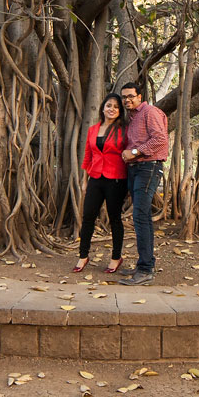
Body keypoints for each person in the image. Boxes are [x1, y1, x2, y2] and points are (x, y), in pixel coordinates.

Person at [118, 80, 169, 286]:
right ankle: (144, 264)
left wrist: (135, 152)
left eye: (131, 96)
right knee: (142, 216)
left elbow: (160, 139)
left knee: (140, 215)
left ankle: (146, 269)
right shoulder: (132, 117)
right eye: (124, 96)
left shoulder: (149, 112)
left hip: (148, 167)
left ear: (140, 96)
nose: (127, 99)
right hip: (135, 169)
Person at [75, 93, 128, 273]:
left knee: (115, 218)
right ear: (103, 108)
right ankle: (83, 256)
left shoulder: (124, 130)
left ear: (120, 111)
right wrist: (84, 181)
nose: (111, 109)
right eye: (108, 105)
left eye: (115, 107)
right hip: (95, 178)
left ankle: (116, 258)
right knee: (88, 216)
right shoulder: (93, 129)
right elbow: (88, 156)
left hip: (116, 179)